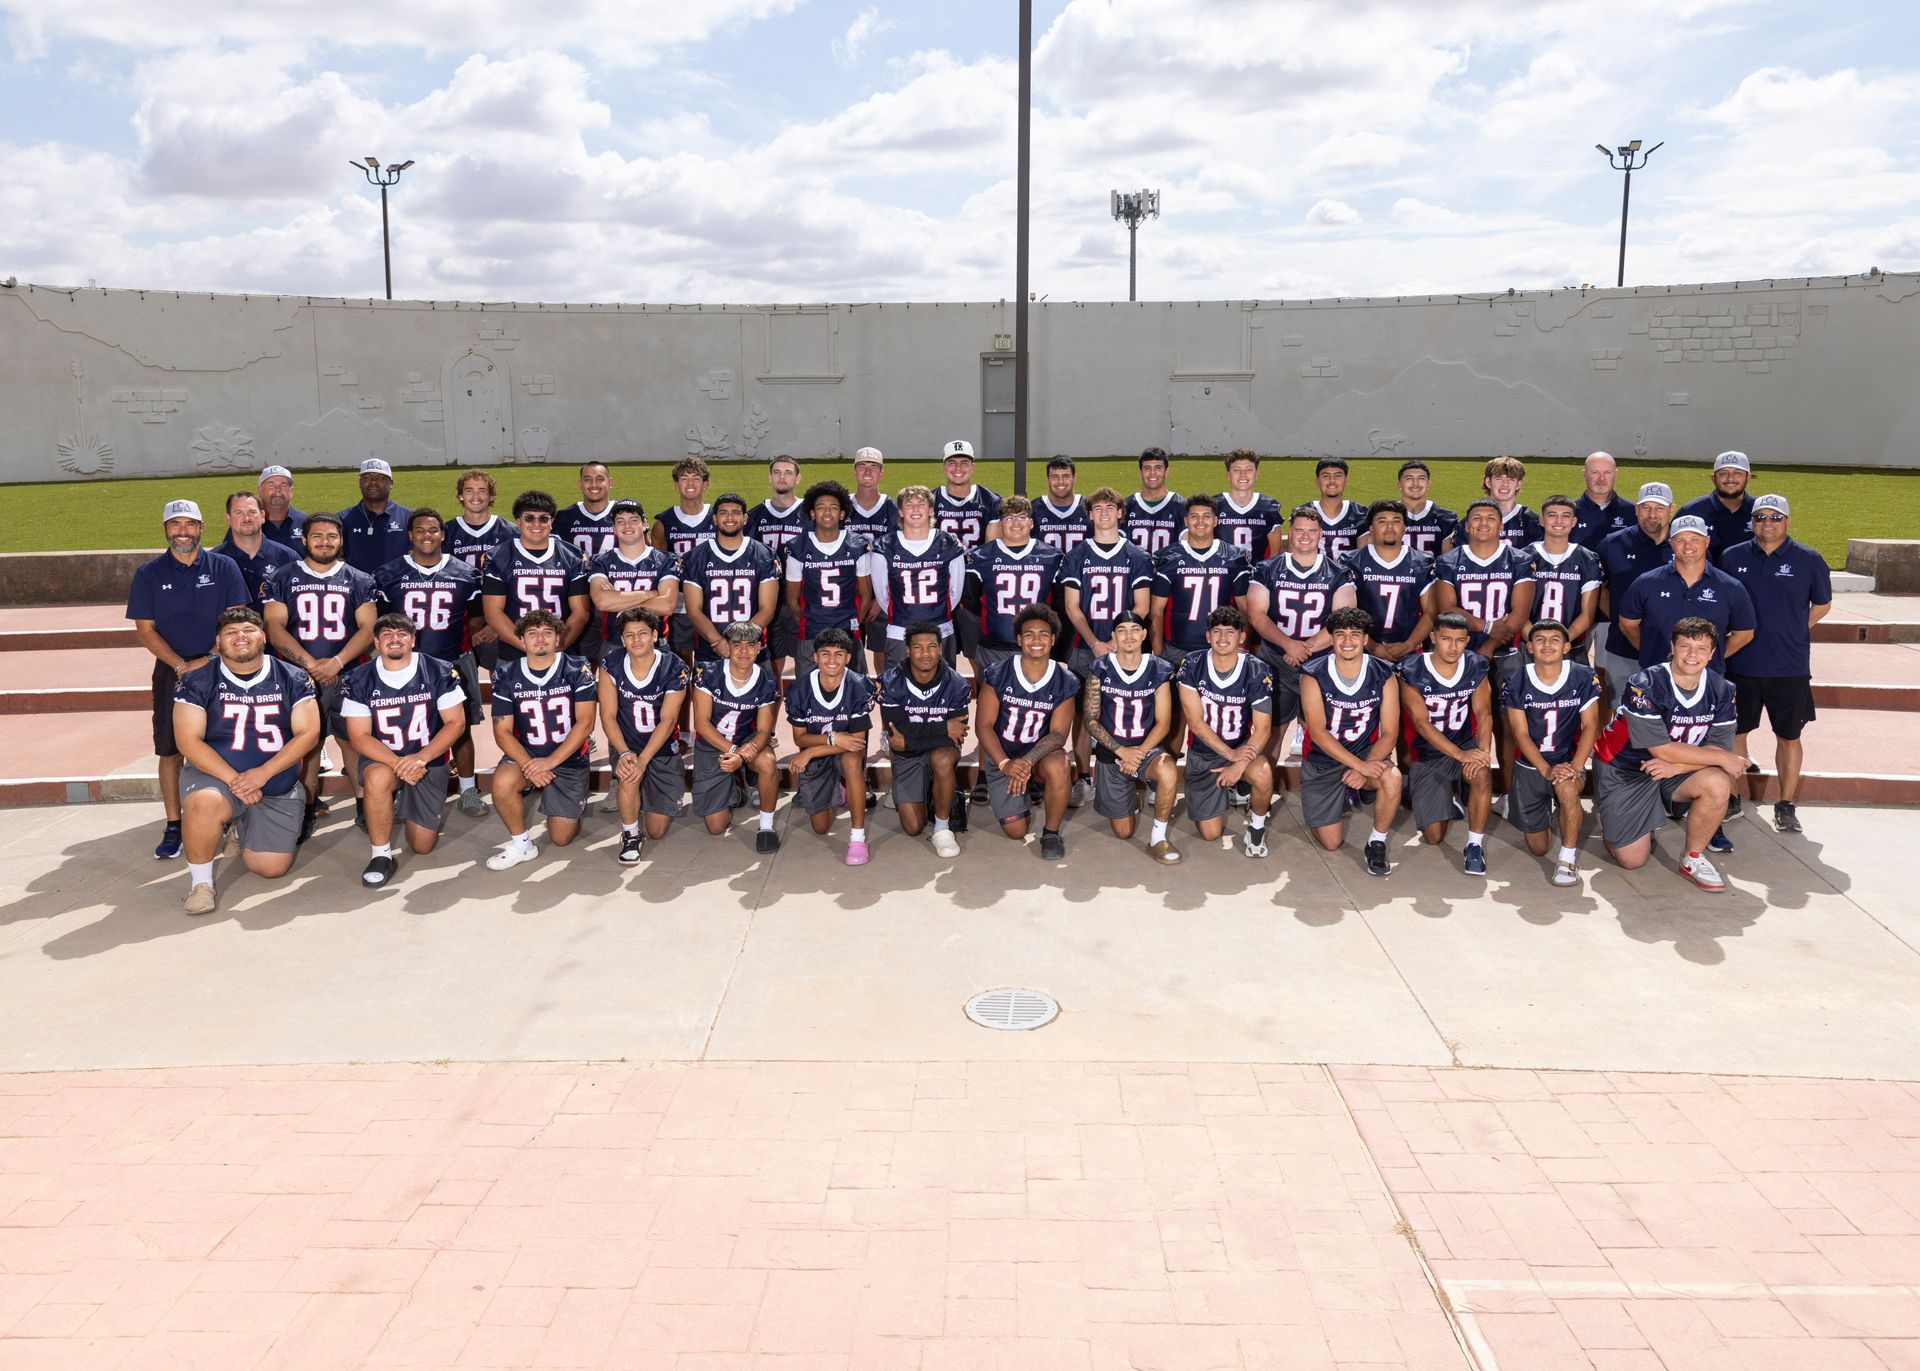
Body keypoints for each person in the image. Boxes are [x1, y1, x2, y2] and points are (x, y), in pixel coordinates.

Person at [171, 608, 320, 915]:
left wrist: (262, 774)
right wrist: (236, 780)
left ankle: (240, 827)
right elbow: (188, 741)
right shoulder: (197, 680)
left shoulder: (293, 677)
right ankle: (201, 884)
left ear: (263, 636)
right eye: (231, 632)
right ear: (218, 642)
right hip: (217, 777)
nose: (241, 636)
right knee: (203, 804)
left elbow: (308, 734)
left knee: (269, 868)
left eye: (248, 630)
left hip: (275, 782)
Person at [128, 498, 253, 859]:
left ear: (201, 528)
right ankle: (174, 824)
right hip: (172, 672)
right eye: (175, 525)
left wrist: (210, 658)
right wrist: (182, 665)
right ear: (165, 529)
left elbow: (236, 621)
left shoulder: (224, 566)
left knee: (227, 743)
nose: (182, 532)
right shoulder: (148, 574)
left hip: (222, 669)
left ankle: (233, 817)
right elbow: (145, 630)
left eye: (189, 525)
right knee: (170, 750)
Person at [1593, 617, 1743, 891]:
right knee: (1632, 860)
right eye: (1685, 646)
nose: (1692, 655)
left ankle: (1692, 857)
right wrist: (1723, 759)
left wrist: (1678, 768)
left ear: (1712, 654)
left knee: (1718, 782)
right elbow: (1660, 749)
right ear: (1672, 647)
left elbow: (1717, 747)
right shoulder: (1644, 684)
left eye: (1701, 648)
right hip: (1626, 767)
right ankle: (1612, 815)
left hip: (1672, 768)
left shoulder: (1722, 689)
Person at [261, 510, 379, 839]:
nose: (324, 542)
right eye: (317, 536)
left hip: (348, 675)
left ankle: (364, 806)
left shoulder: (359, 579)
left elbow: (368, 628)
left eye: (331, 536)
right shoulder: (283, 577)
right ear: (304, 539)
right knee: (306, 745)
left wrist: (336, 663)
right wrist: (311, 665)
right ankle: (307, 808)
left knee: (354, 741)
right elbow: (274, 627)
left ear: (341, 540)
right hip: (299, 677)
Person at [1720, 494, 1832, 833]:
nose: (1767, 523)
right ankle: (1732, 798)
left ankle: (1786, 804)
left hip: (1789, 667)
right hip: (1741, 664)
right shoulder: (1732, 556)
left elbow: (1822, 604)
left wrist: (1796, 628)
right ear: (1752, 522)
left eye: (1775, 517)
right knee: (1736, 733)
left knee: (1788, 736)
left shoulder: (1809, 559)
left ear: (1787, 521)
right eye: (1760, 517)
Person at [373, 507, 489, 817]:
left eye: (433, 530)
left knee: (461, 728)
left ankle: (468, 790)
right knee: (405, 727)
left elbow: (476, 619)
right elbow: (382, 623)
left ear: (443, 534)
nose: (427, 535)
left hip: (453, 660)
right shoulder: (388, 574)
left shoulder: (466, 573)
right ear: (410, 535)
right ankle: (403, 788)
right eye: (420, 530)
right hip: (406, 665)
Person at [340, 613, 469, 887]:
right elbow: (359, 736)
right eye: (386, 634)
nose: (394, 639)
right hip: (384, 758)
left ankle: (400, 802)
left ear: (412, 640)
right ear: (376, 642)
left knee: (421, 845)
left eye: (401, 634)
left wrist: (421, 758)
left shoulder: (439, 670)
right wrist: (399, 764)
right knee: (377, 778)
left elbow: (456, 723)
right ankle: (381, 855)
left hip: (428, 759)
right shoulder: (359, 678)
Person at [485, 609, 597, 871]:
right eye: (532, 633)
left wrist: (549, 763)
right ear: (521, 640)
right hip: (528, 753)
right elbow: (502, 732)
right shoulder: (506, 674)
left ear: (558, 639)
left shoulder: (576, 668)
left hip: (568, 756)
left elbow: (586, 723)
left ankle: (568, 803)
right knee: (502, 781)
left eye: (547, 632)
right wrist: (530, 765)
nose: (540, 638)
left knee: (561, 838)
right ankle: (522, 845)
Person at [1245, 504, 1357, 761]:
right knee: (1269, 734)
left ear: (1321, 534)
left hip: (1320, 664)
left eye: (1312, 531)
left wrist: (1302, 648)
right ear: (1290, 532)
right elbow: (1256, 614)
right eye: (1299, 530)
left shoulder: (1339, 573)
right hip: (1276, 661)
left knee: (1322, 735)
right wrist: (1288, 645)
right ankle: (1262, 784)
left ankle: (1319, 784)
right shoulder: (1267, 568)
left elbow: (1343, 621)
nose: (1305, 536)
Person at [1297, 606, 1400, 877]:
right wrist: (1360, 767)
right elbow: (1318, 733)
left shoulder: (1384, 673)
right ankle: (1339, 798)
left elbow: (1390, 732)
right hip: (1323, 760)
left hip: (1365, 754)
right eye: (1340, 634)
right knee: (1331, 843)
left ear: (1365, 639)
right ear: (1331, 639)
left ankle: (1376, 842)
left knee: (1392, 777)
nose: (1347, 641)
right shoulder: (1312, 674)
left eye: (1355, 634)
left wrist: (1365, 766)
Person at [975, 606, 1079, 858]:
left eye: (1043, 634)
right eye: (1029, 634)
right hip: (1004, 756)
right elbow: (983, 726)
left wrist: (1027, 762)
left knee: (1060, 764)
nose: (1036, 640)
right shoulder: (998, 673)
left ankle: (1051, 833)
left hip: (1039, 756)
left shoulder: (1065, 680)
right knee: (1016, 830)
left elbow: (1058, 735)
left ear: (1053, 640)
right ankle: (1025, 788)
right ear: (1019, 639)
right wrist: (1005, 764)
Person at [1502, 620, 1600, 886]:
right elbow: (1520, 733)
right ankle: (1561, 812)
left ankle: (1567, 859)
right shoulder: (1516, 679)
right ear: (1529, 647)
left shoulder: (1582, 675)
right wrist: (1546, 770)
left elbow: (1591, 725)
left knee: (1567, 788)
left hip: (1568, 762)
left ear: (1567, 647)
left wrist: (1576, 767)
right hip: (1531, 766)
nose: (1547, 645)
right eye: (1540, 640)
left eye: (1555, 639)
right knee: (1538, 848)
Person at [1079, 611, 1181, 863]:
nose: (1129, 635)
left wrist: (1138, 754)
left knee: (1168, 769)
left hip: (1147, 749)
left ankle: (1158, 838)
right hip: (1112, 752)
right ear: (1113, 636)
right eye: (1122, 630)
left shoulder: (1158, 669)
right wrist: (1122, 752)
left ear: (1144, 634)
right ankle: (1130, 797)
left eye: (1135, 629)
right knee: (1123, 832)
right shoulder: (1099, 669)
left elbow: (1164, 723)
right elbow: (1090, 720)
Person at [1398, 611, 1495, 873]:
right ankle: (1445, 800)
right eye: (1446, 639)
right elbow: (1421, 724)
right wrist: (1460, 755)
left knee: (1482, 773)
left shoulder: (1476, 665)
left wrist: (1482, 752)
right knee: (1433, 837)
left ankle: (1474, 846)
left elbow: (1484, 713)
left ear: (1467, 641)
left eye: (1460, 640)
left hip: (1464, 745)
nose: (1453, 647)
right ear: (1433, 638)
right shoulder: (1411, 670)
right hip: (1428, 754)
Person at [1175, 606, 1276, 855]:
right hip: (1204, 752)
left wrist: (1238, 764)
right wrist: (1230, 756)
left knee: (1263, 772)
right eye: (1217, 631)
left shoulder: (1258, 670)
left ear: (1242, 637)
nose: (1222, 637)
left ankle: (1256, 828)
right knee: (1210, 834)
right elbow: (1195, 722)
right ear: (1207, 636)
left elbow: (1263, 728)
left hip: (1241, 747)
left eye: (1230, 632)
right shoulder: (1192, 664)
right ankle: (1230, 789)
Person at [598, 607, 692, 864]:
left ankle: (643, 799)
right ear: (622, 639)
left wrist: (644, 760)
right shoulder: (611, 663)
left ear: (654, 635)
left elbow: (668, 720)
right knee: (628, 773)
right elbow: (607, 716)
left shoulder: (674, 666)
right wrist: (625, 753)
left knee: (657, 830)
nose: (636, 640)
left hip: (661, 748)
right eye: (629, 635)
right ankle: (630, 835)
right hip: (626, 743)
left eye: (642, 633)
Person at [878, 621, 974, 853]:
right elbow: (897, 733)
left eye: (931, 646)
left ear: (940, 649)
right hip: (907, 756)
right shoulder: (890, 682)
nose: (925, 653)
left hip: (935, 750)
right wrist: (943, 727)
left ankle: (942, 827)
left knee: (943, 758)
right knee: (913, 827)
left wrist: (909, 741)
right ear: (907, 650)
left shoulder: (957, 684)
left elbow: (955, 736)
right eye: (918, 647)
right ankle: (936, 790)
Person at [784, 628, 877, 865]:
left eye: (839, 654)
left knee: (852, 761)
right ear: (815, 657)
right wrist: (833, 739)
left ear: (848, 657)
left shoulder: (859, 686)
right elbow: (799, 738)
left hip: (840, 752)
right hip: (821, 754)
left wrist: (813, 750)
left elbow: (856, 741)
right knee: (820, 828)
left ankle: (857, 839)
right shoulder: (799, 689)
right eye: (825, 654)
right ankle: (841, 788)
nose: (832, 660)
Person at [691, 621, 782, 850]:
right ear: (727, 647)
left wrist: (741, 755)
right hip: (712, 745)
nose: (744, 651)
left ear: (759, 648)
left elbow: (764, 730)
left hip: (746, 741)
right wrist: (733, 751)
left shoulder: (766, 680)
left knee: (767, 761)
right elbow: (701, 724)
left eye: (750, 645)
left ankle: (766, 827)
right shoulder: (708, 673)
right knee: (716, 827)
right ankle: (735, 790)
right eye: (737, 644)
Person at [1434, 499, 1535, 696]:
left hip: (1505, 649)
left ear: (1501, 526)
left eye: (1490, 518)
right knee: (1459, 706)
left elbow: (1520, 612)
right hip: (1458, 649)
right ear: (1467, 526)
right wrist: (1488, 627)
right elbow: (1447, 609)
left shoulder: (1520, 560)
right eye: (1477, 518)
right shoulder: (1448, 561)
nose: (1483, 523)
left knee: (1509, 707)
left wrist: (1489, 646)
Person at [480, 490, 592, 662]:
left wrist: (558, 646)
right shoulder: (498, 556)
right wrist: (527, 646)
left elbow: (581, 612)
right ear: (518, 521)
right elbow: (493, 613)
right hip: (514, 649)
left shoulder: (573, 556)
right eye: (529, 518)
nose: (536, 523)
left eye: (544, 518)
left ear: (552, 521)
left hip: (561, 649)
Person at [1596, 482, 1675, 711]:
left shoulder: (1686, 546)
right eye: (1646, 507)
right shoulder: (1612, 544)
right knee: (1621, 714)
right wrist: (1620, 617)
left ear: (1672, 509)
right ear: (1636, 509)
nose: (1652, 514)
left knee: (1670, 718)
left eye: (1659, 508)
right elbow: (1597, 588)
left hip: (1673, 655)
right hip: (1623, 649)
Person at [869, 485, 967, 669]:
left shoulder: (949, 544)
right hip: (900, 631)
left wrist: (936, 614)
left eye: (921, 504)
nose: (915, 509)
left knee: (942, 683)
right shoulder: (884, 546)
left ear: (930, 510)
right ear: (900, 512)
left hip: (940, 629)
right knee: (898, 684)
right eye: (909, 505)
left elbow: (955, 592)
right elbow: (883, 596)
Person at [963, 496, 1065, 673]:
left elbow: (1059, 602)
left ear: (1031, 523)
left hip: (1037, 646)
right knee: (991, 691)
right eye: (1009, 517)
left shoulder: (1053, 557)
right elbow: (970, 601)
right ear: (1001, 523)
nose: (1016, 522)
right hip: (993, 649)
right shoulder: (980, 557)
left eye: (1022, 517)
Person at [1151, 495, 1251, 672]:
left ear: (1215, 521)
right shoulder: (1168, 557)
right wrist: (1159, 651)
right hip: (1176, 649)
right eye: (1194, 516)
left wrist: (1242, 645)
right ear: (1186, 521)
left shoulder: (1234, 557)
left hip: (1221, 648)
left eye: (1206, 516)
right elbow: (1156, 611)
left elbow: (1244, 609)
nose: (1200, 522)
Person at [785, 481, 874, 677]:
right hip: (812, 632)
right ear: (812, 513)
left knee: (856, 688)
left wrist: (853, 623)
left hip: (848, 632)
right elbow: (792, 601)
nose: (827, 512)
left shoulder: (857, 545)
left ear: (842, 514)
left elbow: (866, 596)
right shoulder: (797, 548)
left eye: (833, 507)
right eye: (820, 507)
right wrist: (812, 620)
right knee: (808, 688)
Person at [682, 493, 782, 664]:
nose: (730, 518)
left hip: (752, 651)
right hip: (710, 651)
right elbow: (693, 611)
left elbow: (767, 609)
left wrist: (741, 644)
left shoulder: (764, 554)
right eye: (723, 513)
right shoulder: (696, 557)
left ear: (745, 518)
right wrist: (718, 642)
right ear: (714, 519)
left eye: (736, 512)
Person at [1342, 499, 1435, 662]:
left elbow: (1431, 612)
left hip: (1410, 652)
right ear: (1371, 528)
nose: (1390, 527)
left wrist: (1408, 645)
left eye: (1396, 521)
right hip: (1361, 652)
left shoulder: (1422, 563)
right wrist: (1371, 645)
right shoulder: (1352, 562)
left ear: (1405, 528)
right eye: (1382, 521)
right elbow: (1344, 613)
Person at [587, 500, 679, 656]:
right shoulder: (600, 561)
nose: (627, 526)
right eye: (620, 521)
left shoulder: (666, 560)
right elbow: (602, 601)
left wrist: (619, 603)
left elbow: (667, 605)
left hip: (656, 644)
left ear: (644, 524)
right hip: (615, 643)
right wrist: (650, 594)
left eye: (633, 520)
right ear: (613, 528)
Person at [652, 457, 718, 664]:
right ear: (676, 485)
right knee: (682, 657)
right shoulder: (663, 523)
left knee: (714, 656)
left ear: (705, 484)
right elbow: (658, 567)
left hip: (714, 599)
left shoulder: (719, 517)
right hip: (680, 602)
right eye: (684, 478)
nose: (690, 483)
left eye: (696, 478)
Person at [747, 453, 808, 675]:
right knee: (772, 666)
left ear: (797, 478)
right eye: (777, 472)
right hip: (767, 601)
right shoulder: (754, 516)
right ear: (770, 477)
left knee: (807, 662)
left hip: (802, 599)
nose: (782, 477)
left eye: (788, 473)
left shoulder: (811, 515)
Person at [1522, 495, 1602, 655]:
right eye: (1552, 515)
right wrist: (1536, 642)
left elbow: (1587, 614)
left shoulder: (1587, 559)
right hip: (1529, 646)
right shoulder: (1523, 558)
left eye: (1565, 516)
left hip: (1570, 646)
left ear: (1574, 521)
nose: (1559, 521)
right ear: (1541, 520)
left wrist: (1562, 642)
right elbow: (1518, 611)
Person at [843, 448, 898, 674]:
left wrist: (880, 599)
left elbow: (900, 556)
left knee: (883, 652)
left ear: (881, 473)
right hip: (846, 592)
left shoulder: (893, 508)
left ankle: (884, 691)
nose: (867, 471)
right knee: (846, 652)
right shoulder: (840, 506)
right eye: (862, 466)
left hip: (882, 591)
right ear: (854, 471)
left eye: (874, 467)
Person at [214, 490, 297, 612]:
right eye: (238, 513)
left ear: (262, 516)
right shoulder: (213, 562)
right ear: (228, 519)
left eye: (252, 512)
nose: (247, 518)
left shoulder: (288, 557)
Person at [1677, 450, 1756, 563]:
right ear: (1713, 478)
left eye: (1737, 473)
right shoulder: (1692, 510)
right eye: (1723, 473)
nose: (1730, 479)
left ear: (1748, 477)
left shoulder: (1762, 511)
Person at [338, 458, 413, 574]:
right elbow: (336, 558)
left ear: (391, 483)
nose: (373, 482)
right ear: (360, 483)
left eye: (380, 478)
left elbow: (416, 556)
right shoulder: (341, 519)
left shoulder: (410, 517)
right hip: (357, 584)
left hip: (397, 583)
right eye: (367, 478)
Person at [1214, 449, 1284, 559]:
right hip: (1222, 569)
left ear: (1256, 474)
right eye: (1236, 470)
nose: (1243, 475)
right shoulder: (1214, 505)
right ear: (1228, 474)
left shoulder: (1268, 507)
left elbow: (1274, 557)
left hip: (1257, 569)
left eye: (1249, 469)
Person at [933, 440, 1001, 549]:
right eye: (952, 463)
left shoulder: (990, 500)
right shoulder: (931, 499)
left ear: (973, 467)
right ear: (944, 468)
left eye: (964, 463)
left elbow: (991, 550)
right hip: (940, 560)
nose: (958, 468)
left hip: (978, 560)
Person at [447, 469, 515, 573]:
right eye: (469, 491)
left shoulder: (510, 532)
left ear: (491, 496)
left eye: (482, 491)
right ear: (461, 496)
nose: (476, 496)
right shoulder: (446, 532)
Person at [552, 460, 622, 559]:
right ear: (580, 483)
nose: (594, 484)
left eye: (600, 479)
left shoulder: (626, 514)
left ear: (610, 483)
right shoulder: (564, 517)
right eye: (587, 480)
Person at [1389, 459, 1457, 555]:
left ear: (1428, 484)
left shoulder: (1445, 517)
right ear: (1399, 484)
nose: (1415, 484)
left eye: (1421, 478)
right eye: (1409, 478)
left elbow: (1449, 559)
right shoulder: (1385, 515)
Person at [1123, 448, 1183, 554]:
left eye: (1158, 468)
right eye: (1147, 468)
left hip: (1169, 565)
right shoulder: (1126, 506)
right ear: (1140, 473)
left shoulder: (1181, 506)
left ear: (1166, 471)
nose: (1152, 473)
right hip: (1135, 565)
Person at [1571, 452, 1636, 550]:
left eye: (1607, 472)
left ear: (1615, 474)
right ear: (1584, 474)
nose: (1601, 479)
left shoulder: (1634, 512)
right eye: (1595, 472)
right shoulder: (1567, 512)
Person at [1309, 458, 1368, 562]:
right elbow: (1296, 557)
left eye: (1338, 476)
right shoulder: (1305, 513)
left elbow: (1363, 559)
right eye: (1326, 476)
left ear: (1346, 480)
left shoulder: (1360, 513)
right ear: (1317, 481)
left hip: (1349, 572)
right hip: (1314, 572)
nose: (1332, 481)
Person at [1481, 456, 1543, 552]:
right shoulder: (1473, 520)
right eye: (1499, 479)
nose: (1505, 484)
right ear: (1488, 482)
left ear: (1518, 484)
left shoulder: (1531, 521)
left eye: (1511, 479)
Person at [1033, 456, 1091, 554]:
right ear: (1048, 479)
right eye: (1054, 477)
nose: (1060, 481)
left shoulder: (1090, 507)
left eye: (1066, 476)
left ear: (1074, 478)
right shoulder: (1033, 510)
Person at [256, 465, 307, 549]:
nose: (278, 489)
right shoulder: (249, 522)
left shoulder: (305, 522)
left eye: (283, 485)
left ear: (291, 491)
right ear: (260, 490)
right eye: (271, 485)